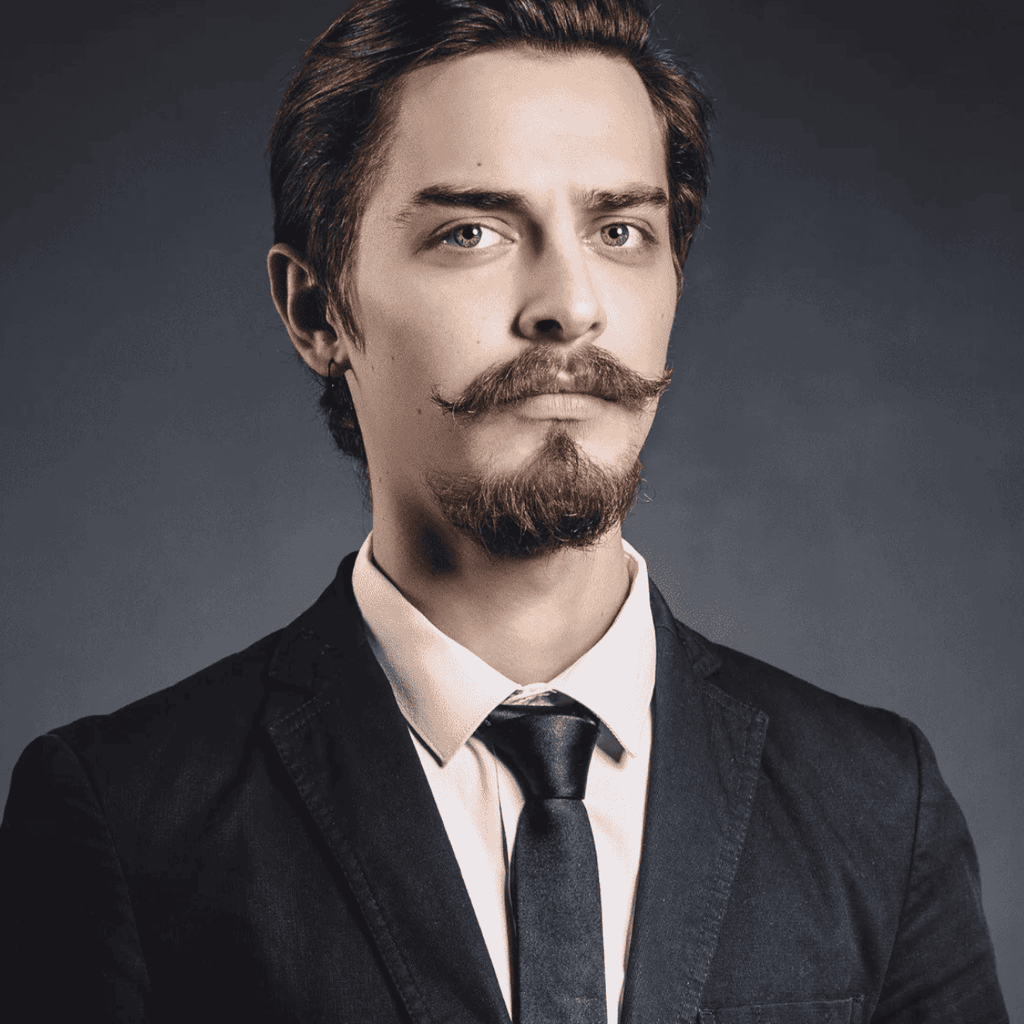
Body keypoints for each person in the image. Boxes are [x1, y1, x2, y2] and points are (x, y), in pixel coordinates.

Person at [0, 1, 1008, 1021]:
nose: (569, 304)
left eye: (621, 230)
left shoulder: (880, 802)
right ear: (316, 310)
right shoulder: (125, 814)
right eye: (470, 232)